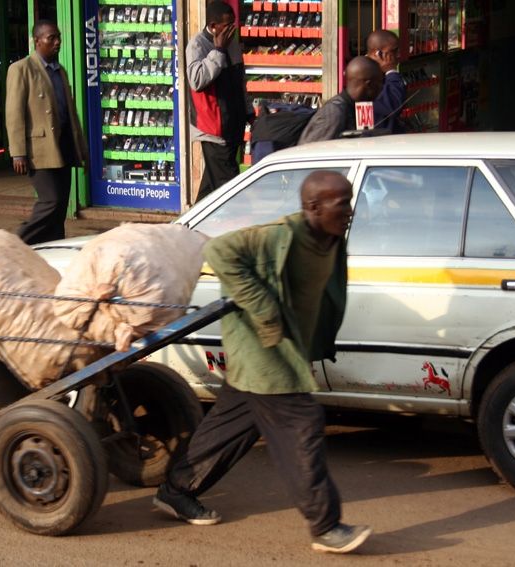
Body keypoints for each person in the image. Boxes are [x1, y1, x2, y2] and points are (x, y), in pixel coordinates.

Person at [153, 170, 372, 555]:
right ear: (313, 207)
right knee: (302, 426)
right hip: (264, 352)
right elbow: (219, 251)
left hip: (275, 351)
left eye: (350, 199)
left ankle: (176, 491)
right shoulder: (279, 236)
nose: (350, 209)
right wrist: (264, 308)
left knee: (230, 428)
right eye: (342, 202)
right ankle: (326, 526)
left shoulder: (331, 241)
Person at [6, 20, 88, 245]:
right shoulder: (21, 69)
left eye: (58, 37)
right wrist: (18, 153)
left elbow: (70, 113)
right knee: (50, 201)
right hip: (39, 149)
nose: (57, 42)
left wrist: (81, 149)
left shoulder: (59, 70)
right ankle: (16, 243)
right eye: (51, 38)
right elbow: (14, 114)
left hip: (62, 145)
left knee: (60, 205)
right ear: (37, 40)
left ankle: (51, 248)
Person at [186, 1, 249, 203]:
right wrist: (218, 51)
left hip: (233, 127)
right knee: (230, 190)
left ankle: (189, 227)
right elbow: (196, 80)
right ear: (213, 27)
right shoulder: (197, 45)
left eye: (234, 23)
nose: (232, 28)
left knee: (211, 188)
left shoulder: (233, 44)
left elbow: (240, 81)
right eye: (227, 24)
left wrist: (249, 111)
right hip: (213, 130)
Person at [298, 56, 383, 144]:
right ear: (369, 84)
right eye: (380, 82)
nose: (381, 87)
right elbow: (311, 152)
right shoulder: (334, 112)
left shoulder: (356, 107)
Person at [366, 30, 406, 133]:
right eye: (394, 51)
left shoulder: (377, 71)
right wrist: (391, 70)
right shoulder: (365, 74)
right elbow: (392, 104)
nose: (398, 55)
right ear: (378, 53)